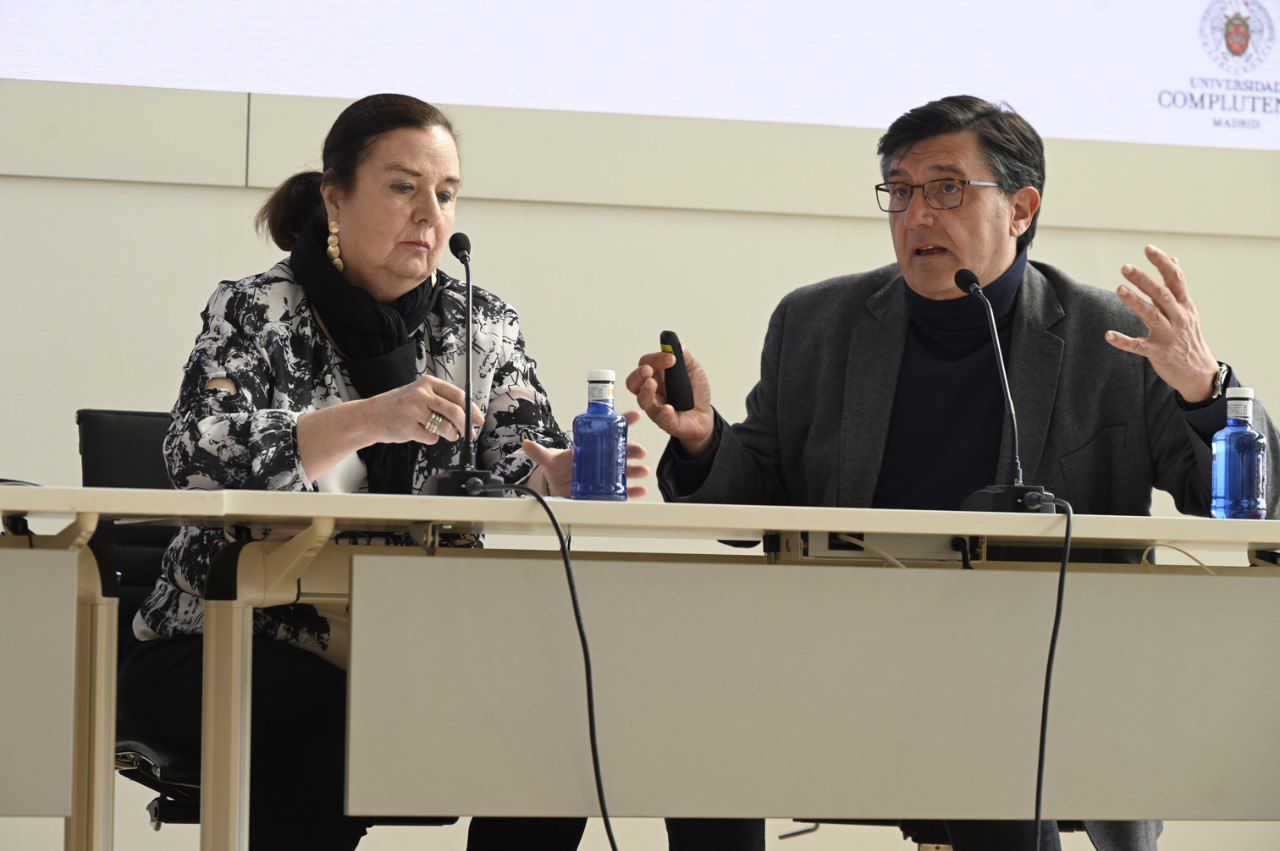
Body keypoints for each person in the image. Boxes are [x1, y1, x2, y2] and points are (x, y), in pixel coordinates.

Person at [626, 95, 1279, 851]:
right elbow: (761, 506)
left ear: (1022, 209)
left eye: (946, 188)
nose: (916, 215)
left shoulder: (1113, 340)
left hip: (1041, 673)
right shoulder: (815, 324)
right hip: (844, 656)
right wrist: (706, 442)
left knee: (993, 721)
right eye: (899, 191)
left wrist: (1207, 389)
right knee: (695, 702)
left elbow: (1250, 506)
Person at [119, 92, 716, 851]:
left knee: (559, 727)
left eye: (447, 192)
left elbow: (510, 464)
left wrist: (554, 476)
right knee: (325, 721)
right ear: (336, 198)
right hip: (223, 639)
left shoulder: (479, 322)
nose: (430, 213)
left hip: (410, 641)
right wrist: (367, 418)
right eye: (404, 187)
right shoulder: (256, 307)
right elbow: (197, 457)